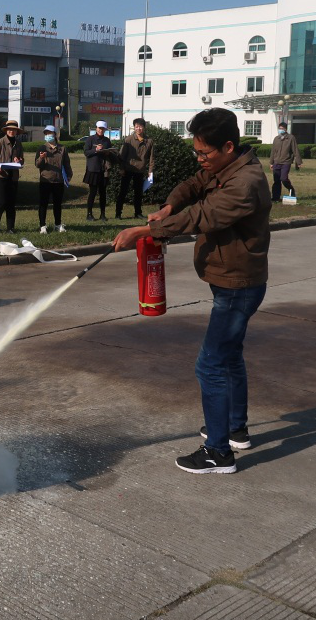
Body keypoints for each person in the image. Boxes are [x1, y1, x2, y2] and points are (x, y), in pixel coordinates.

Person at [112, 107, 271, 474]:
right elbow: (195, 186)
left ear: (228, 146)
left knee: (210, 365)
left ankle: (218, 453)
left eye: (205, 153)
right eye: (196, 152)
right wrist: (170, 203)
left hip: (238, 286)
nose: (200, 160)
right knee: (229, 357)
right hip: (230, 281)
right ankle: (235, 428)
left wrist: (145, 231)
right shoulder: (226, 167)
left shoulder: (245, 183)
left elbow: (203, 215)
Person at [35, 124, 72, 234]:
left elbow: (67, 164)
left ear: (55, 135)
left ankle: (58, 224)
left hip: (58, 180)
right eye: (46, 134)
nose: (48, 136)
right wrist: (41, 158)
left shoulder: (62, 149)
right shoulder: (41, 148)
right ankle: (42, 225)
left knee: (57, 204)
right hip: (45, 180)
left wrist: (69, 176)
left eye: (50, 133)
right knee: (43, 204)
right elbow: (37, 165)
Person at [0, 119, 24, 233]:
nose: (11, 132)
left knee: (11, 203)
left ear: (17, 131)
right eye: (10, 129)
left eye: (14, 130)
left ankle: (10, 227)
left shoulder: (18, 143)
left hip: (13, 176)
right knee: (2, 201)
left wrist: (19, 160)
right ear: (6, 130)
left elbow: (22, 160)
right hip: (1, 175)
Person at [116, 118, 154, 219]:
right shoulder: (128, 139)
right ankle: (118, 213)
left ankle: (138, 213)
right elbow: (121, 156)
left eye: (140, 126)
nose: (138, 128)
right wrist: (121, 168)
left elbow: (151, 157)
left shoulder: (149, 141)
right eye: (136, 126)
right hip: (128, 169)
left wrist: (150, 171)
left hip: (140, 170)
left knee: (138, 193)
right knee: (123, 191)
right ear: (134, 127)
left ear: (144, 127)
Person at [83, 120, 114, 220]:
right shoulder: (90, 139)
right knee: (92, 192)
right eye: (99, 128)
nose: (101, 130)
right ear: (96, 128)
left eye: (103, 128)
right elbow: (86, 152)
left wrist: (108, 153)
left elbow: (111, 153)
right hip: (93, 169)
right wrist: (95, 150)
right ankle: (89, 214)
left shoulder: (107, 140)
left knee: (103, 193)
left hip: (104, 169)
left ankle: (103, 214)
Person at [269, 121, 302, 202]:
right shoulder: (276, 139)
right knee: (276, 181)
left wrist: (299, 162)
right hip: (276, 162)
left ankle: (291, 190)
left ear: (286, 129)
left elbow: (295, 150)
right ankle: (275, 197)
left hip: (286, 162)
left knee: (283, 179)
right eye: (279, 128)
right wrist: (271, 162)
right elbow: (273, 151)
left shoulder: (291, 138)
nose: (280, 130)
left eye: (282, 128)